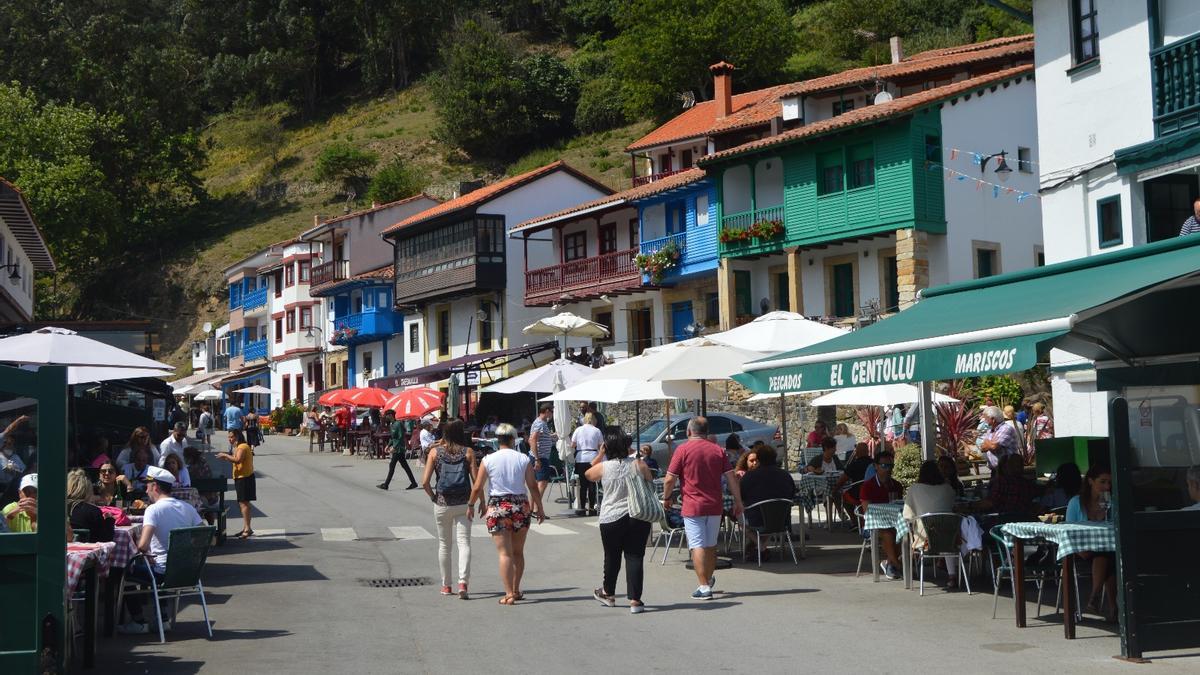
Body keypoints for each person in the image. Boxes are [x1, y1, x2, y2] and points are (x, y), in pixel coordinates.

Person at [662, 416, 743, 600]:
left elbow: (669, 479)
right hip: (715, 504)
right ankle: (707, 578)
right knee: (710, 545)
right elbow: (731, 478)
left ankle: (704, 586)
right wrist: (738, 501)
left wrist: (666, 497)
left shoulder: (682, 450)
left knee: (697, 545)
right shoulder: (717, 450)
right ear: (706, 432)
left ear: (689, 431)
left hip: (693, 505)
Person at [117, 465, 203, 635]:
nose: (146, 489)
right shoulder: (188, 508)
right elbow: (201, 535)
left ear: (155, 486)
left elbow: (142, 545)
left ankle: (138, 621)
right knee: (155, 565)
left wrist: (142, 551)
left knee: (124, 569)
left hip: (162, 572)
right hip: (187, 571)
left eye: (147, 485)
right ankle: (162, 619)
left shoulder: (153, 510)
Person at [468, 422, 544, 605]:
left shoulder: (488, 459)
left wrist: (471, 504)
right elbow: (533, 485)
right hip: (520, 506)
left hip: (497, 506)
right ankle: (516, 589)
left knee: (505, 554)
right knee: (518, 552)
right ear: (512, 439)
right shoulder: (523, 458)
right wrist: (539, 507)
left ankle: (509, 593)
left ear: (497, 439)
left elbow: (478, 486)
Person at [584, 430, 654, 613]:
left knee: (612, 555)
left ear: (608, 447)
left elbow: (588, 474)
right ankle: (636, 600)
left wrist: (600, 454)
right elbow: (650, 480)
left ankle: (608, 593)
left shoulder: (604, 467)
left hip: (611, 517)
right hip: (637, 515)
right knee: (635, 556)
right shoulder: (639, 463)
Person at [421, 419, 478, 599]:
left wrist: (433, 497)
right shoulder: (468, 452)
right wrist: (480, 502)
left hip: (442, 504)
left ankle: (446, 586)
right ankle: (463, 583)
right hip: (464, 503)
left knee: (445, 545)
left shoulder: (435, 452)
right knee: (464, 543)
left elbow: (424, 482)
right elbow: (476, 483)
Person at [1066, 464, 1116, 622]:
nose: (1107, 486)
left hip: (1105, 548)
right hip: (1082, 548)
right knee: (1108, 557)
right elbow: (1068, 529)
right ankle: (1113, 608)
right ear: (1090, 481)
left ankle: (1095, 597)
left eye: (1109, 482)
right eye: (1102, 482)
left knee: (1106, 556)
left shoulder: (1112, 502)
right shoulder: (1076, 502)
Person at [738, 445, 795, 561]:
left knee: (741, 520)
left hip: (757, 519)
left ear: (758, 459)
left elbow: (741, 496)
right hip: (782, 520)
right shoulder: (785, 475)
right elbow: (792, 493)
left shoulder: (749, 476)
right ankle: (759, 547)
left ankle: (761, 547)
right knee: (770, 519)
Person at [859, 451, 904, 580]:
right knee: (887, 531)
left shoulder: (896, 485)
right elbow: (868, 511)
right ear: (876, 466)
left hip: (894, 521)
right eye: (884, 466)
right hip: (872, 523)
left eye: (890, 466)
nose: (888, 469)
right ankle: (896, 564)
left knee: (903, 532)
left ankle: (890, 563)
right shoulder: (867, 486)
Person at [903, 460, 957, 550]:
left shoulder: (914, 489)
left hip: (924, 538)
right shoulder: (948, 488)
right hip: (948, 538)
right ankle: (946, 562)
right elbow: (951, 507)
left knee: (908, 528)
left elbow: (907, 516)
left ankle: (907, 559)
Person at [216, 429, 255, 539]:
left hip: (245, 478)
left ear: (237, 436)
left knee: (244, 503)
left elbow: (238, 459)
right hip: (241, 477)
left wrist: (226, 456)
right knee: (243, 503)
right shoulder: (239, 447)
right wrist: (227, 457)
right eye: (229, 437)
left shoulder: (242, 447)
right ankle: (247, 527)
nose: (230, 439)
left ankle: (247, 528)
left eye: (232, 437)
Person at [67, 469, 114, 542]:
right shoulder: (93, 511)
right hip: (87, 551)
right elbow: (105, 540)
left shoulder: (55, 509)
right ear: (88, 490)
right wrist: (109, 520)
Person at [571, 412, 603, 515]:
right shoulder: (597, 430)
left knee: (582, 484)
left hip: (581, 458)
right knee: (592, 483)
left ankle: (582, 508)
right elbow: (601, 446)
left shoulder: (578, 430)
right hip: (593, 457)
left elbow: (573, 444)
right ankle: (592, 508)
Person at [378, 409, 419, 491]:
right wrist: (388, 445)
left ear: (390, 415)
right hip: (397, 449)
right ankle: (413, 483)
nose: (386, 417)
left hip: (399, 449)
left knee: (392, 465)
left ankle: (386, 485)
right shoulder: (392, 425)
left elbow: (400, 437)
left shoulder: (398, 424)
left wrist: (394, 447)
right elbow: (393, 438)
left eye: (386, 415)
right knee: (405, 466)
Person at [529, 405, 557, 498]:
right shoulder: (540, 423)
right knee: (542, 483)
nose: (552, 414)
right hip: (540, 457)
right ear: (547, 411)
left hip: (540, 456)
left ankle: (533, 508)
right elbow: (533, 439)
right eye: (552, 411)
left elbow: (537, 438)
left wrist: (551, 436)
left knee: (536, 484)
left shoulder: (540, 423)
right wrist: (537, 459)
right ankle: (537, 508)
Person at [837, 442, 874, 509]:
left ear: (857, 452)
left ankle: (854, 519)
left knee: (844, 496)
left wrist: (835, 489)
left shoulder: (854, 465)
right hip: (874, 493)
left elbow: (842, 480)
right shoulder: (874, 464)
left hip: (858, 494)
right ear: (867, 451)